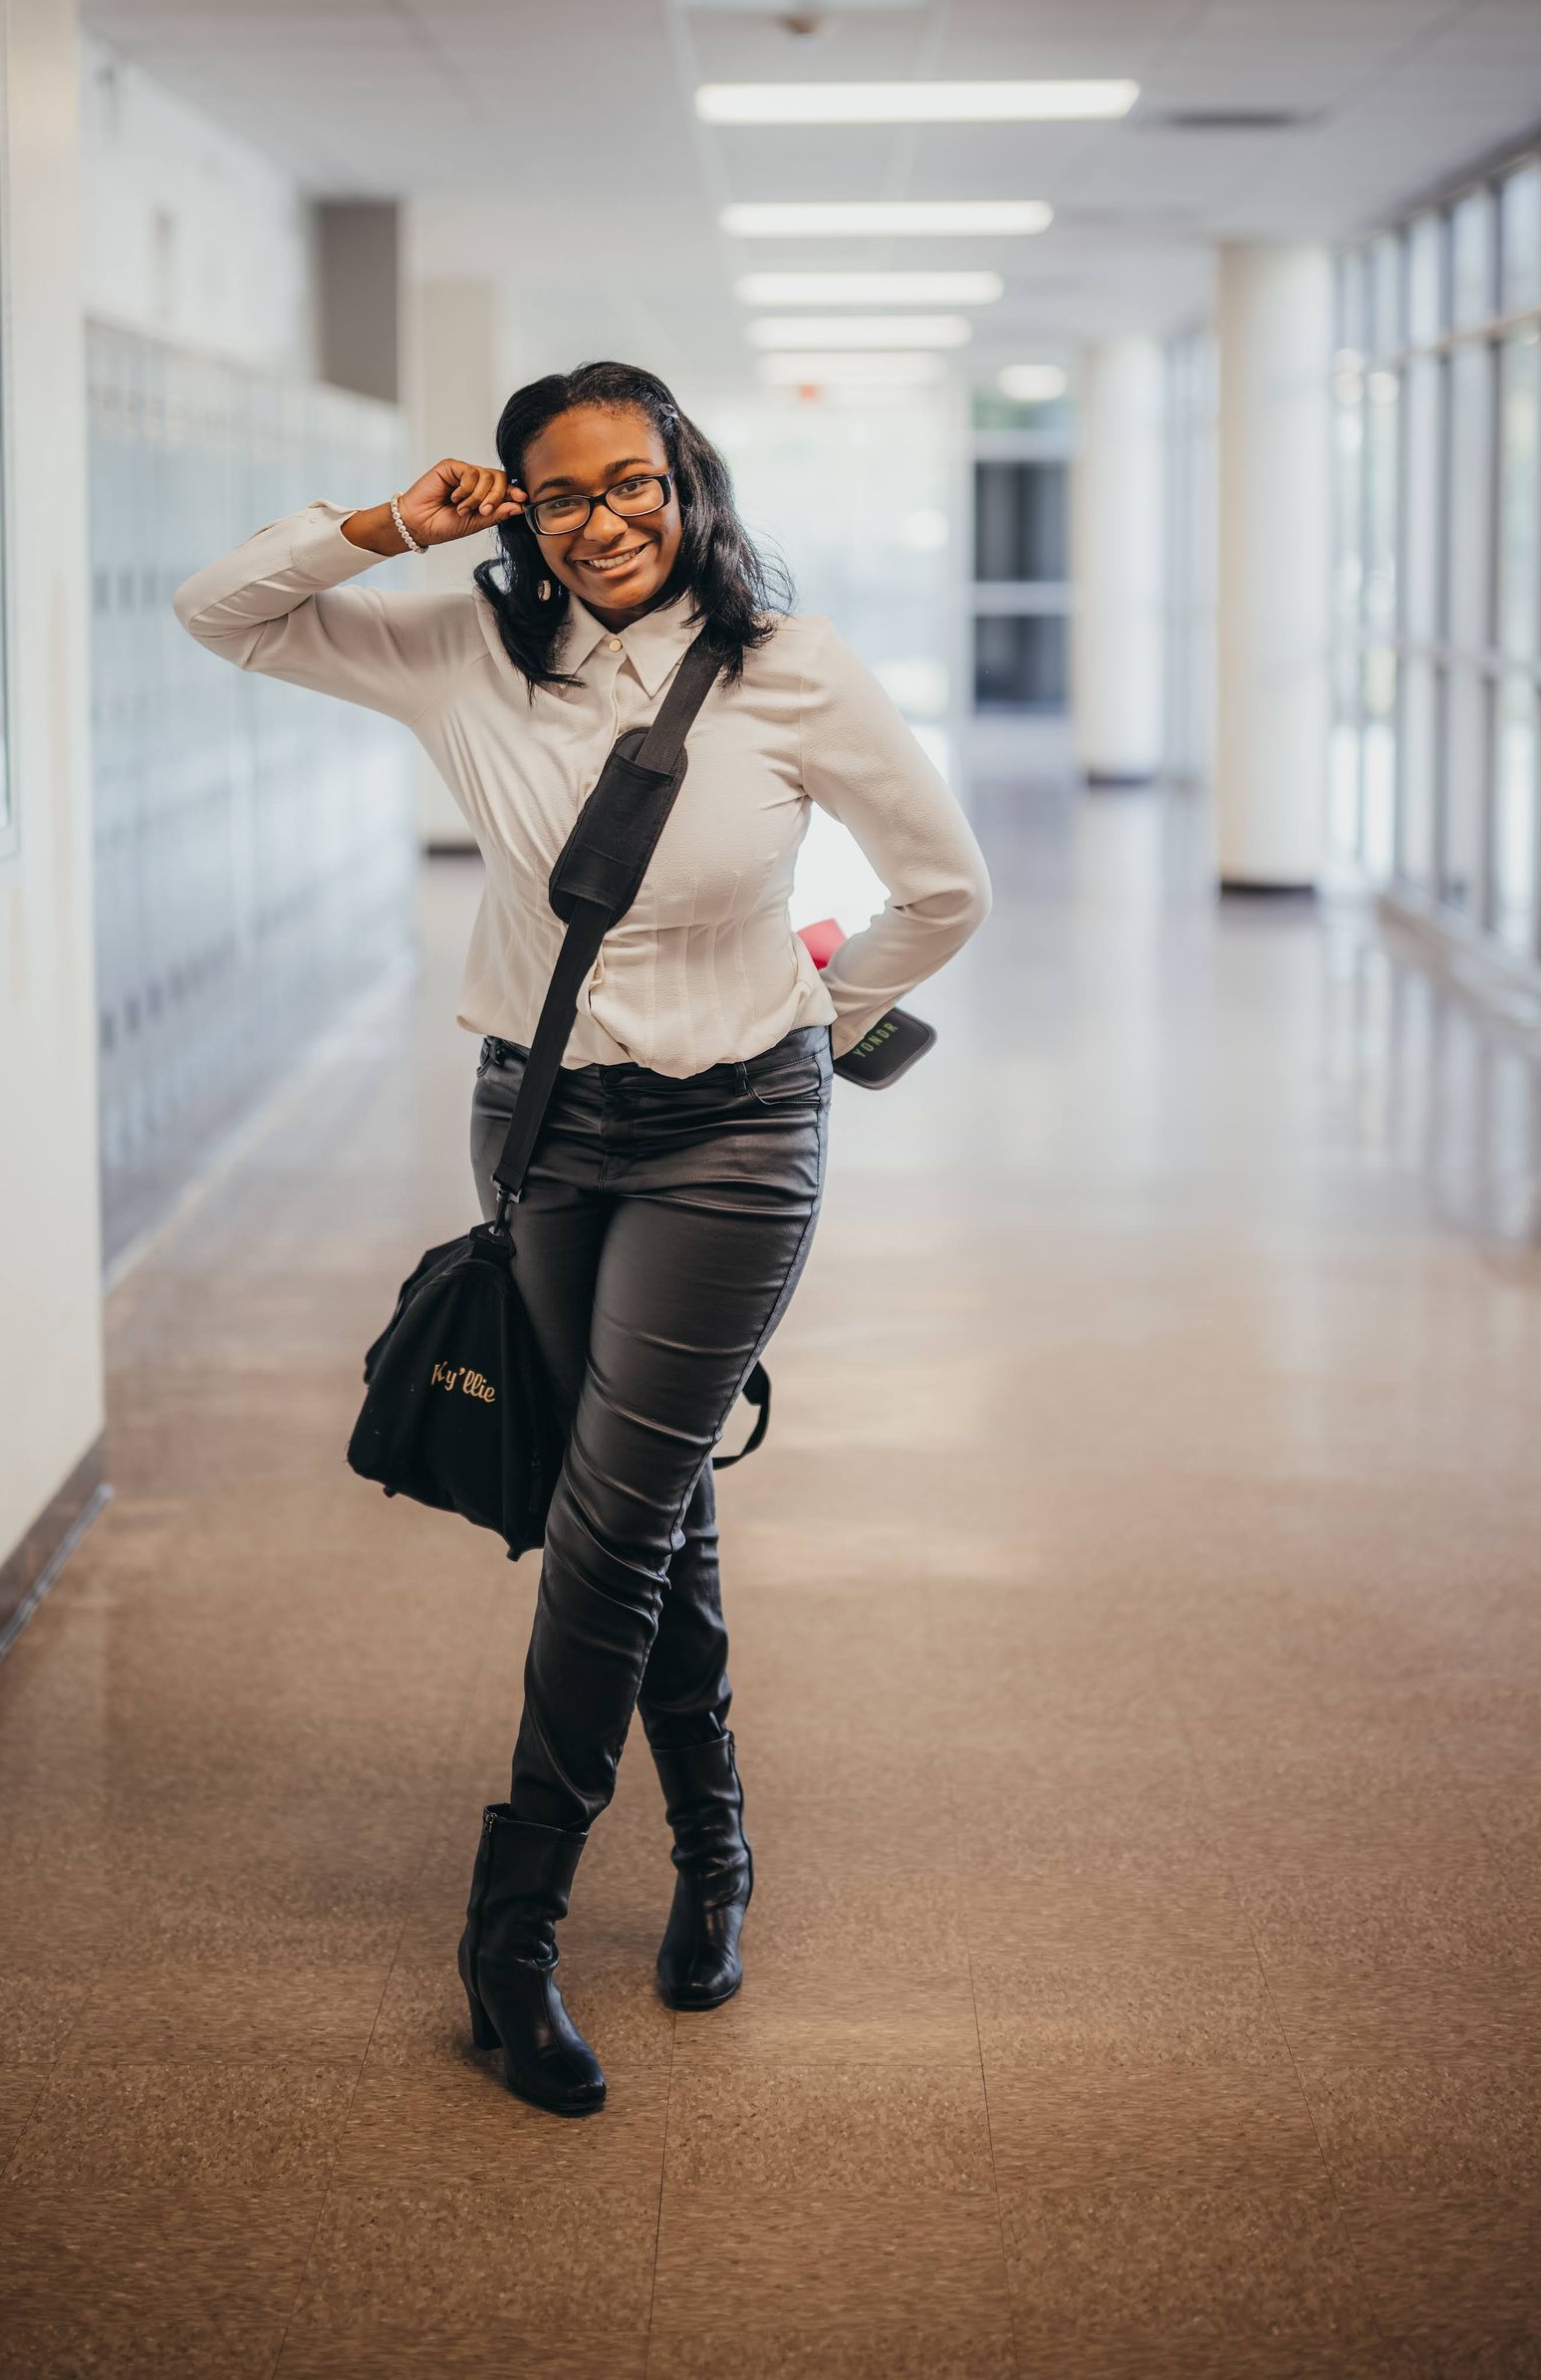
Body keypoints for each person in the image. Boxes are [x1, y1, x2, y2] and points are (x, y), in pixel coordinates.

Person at [174, 361, 990, 2116]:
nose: (606, 521)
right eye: (562, 496)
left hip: (737, 1130)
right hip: (541, 1126)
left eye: (633, 483)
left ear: (686, 482)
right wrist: (392, 522)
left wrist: (837, 1005)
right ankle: (715, 1842)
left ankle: (514, 1932)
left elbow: (946, 888)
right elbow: (219, 611)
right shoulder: (467, 654)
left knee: (608, 1520)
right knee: (646, 1490)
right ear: (521, 512)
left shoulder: (791, 670)